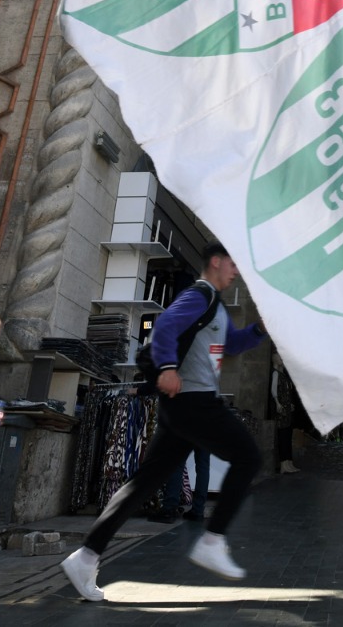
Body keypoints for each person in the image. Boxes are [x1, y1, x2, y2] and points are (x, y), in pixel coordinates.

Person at [62, 244, 267, 601]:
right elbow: (167, 324)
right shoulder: (200, 294)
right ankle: (213, 539)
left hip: (183, 405)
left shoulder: (215, 305)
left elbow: (230, 345)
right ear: (215, 262)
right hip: (194, 400)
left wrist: (258, 330)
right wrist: (169, 367)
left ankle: (86, 556)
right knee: (249, 457)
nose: (236, 272)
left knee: (142, 483)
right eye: (233, 264)